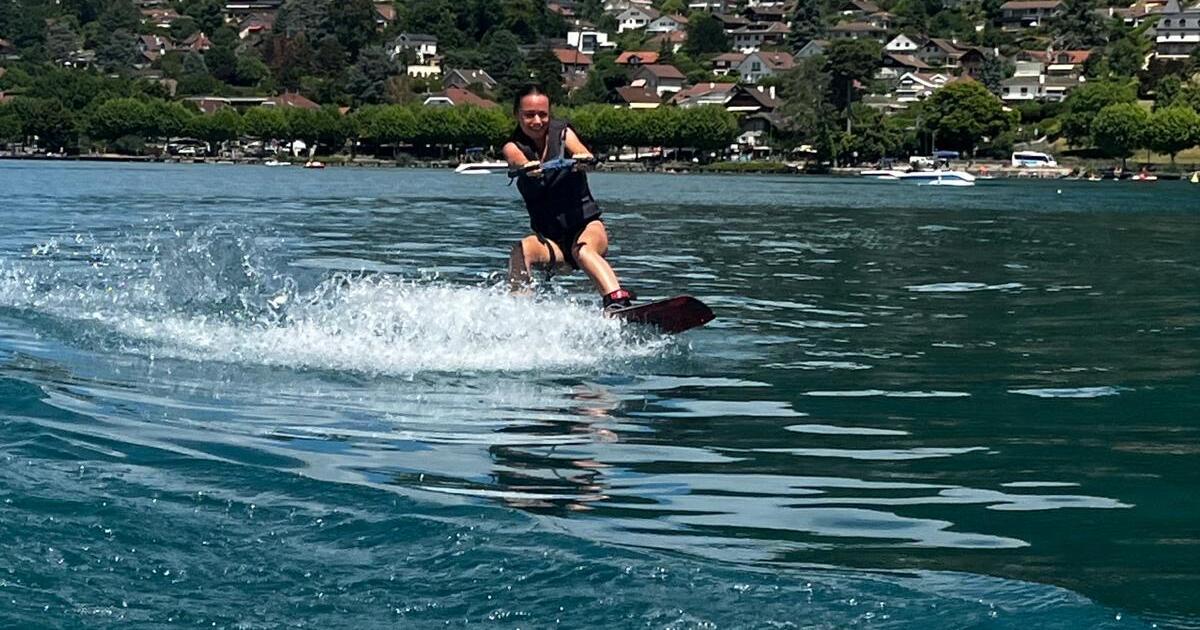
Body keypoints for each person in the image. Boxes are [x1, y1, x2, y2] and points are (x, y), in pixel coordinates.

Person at [502, 84, 634, 312]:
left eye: (542, 114)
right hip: (552, 243)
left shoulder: (563, 134)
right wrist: (526, 167)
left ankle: (617, 302)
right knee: (520, 251)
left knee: (582, 251)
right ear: (517, 115)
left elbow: (581, 151)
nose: (537, 121)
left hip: (587, 228)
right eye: (529, 115)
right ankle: (518, 312)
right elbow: (516, 159)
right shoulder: (513, 147)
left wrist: (584, 159)